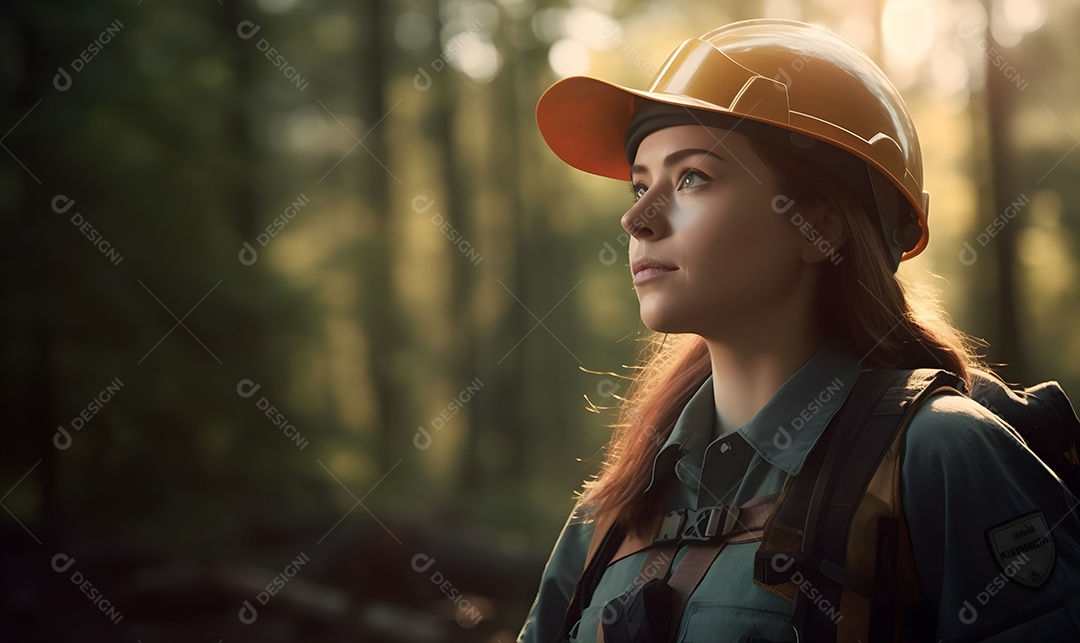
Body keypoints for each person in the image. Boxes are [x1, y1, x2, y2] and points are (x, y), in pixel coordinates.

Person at [519, 19, 1080, 643]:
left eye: (691, 178)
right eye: (641, 184)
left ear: (819, 223)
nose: (636, 218)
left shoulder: (941, 456)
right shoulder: (609, 513)